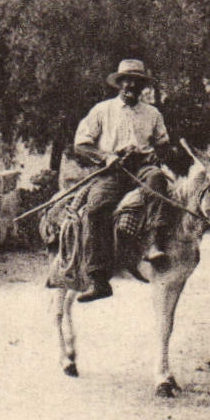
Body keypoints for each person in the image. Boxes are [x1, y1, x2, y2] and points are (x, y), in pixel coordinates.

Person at [70, 59, 172, 303]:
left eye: (136, 82)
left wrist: (155, 153)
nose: (131, 86)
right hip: (114, 171)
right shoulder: (102, 110)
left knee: (158, 179)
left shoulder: (152, 113)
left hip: (142, 168)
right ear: (119, 83)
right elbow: (81, 144)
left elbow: (163, 144)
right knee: (95, 208)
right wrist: (106, 157)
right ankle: (99, 279)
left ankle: (155, 246)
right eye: (126, 80)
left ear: (142, 86)